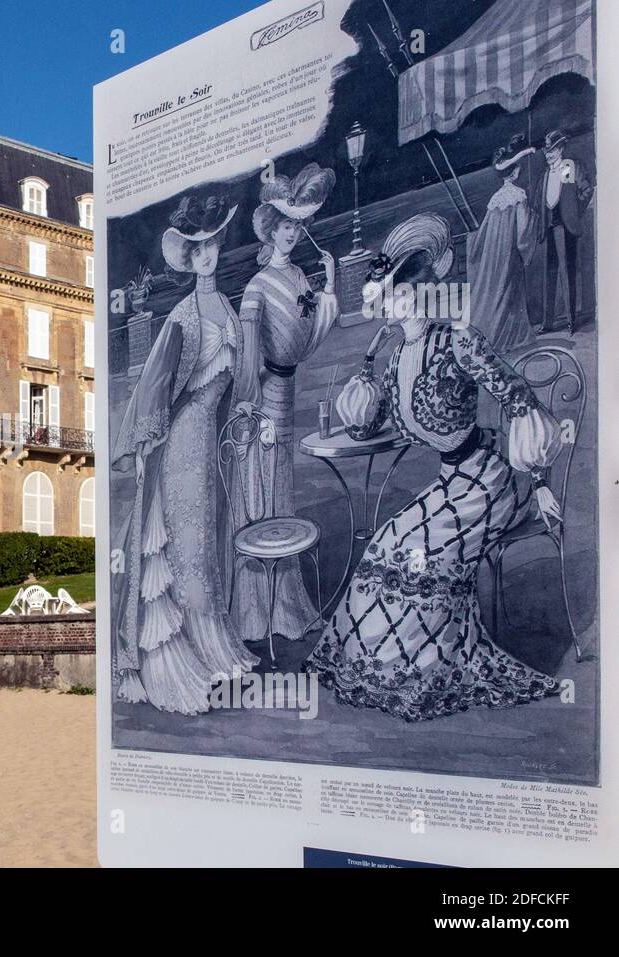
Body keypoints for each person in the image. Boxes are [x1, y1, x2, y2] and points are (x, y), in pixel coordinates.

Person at [307, 212, 563, 722]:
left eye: (405, 297)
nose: (396, 309)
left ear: (423, 293)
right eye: (391, 301)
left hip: (489, 478)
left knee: (416, 554)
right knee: (386, 543)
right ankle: (387, 668)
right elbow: (369, 424)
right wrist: (366, 368)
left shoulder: (458, 340)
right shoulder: (399, 352)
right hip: (452, 479)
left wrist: (539, 482)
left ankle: (426, 672)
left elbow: (516, 396)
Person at [111, 194, 259, 715]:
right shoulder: (182, 315)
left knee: (207, 543)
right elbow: (155, 387)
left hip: (212, 442)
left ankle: (213, 642)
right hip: (179, 444)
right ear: (188, 260)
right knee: (184, 545)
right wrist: (147, 444)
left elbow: (239, 382)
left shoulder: (230, 311)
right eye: (199, 251)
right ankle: (181, 654)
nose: (209, 256)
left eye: (214, 245)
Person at [230, 163, 338, 650]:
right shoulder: (256, 288)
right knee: (263, 492)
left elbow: (309, 336)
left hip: (289, 394)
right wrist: (254, 412)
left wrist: (331, 286)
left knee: (283, 491)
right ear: (270, 229)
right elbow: (249, 359)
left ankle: (286, 603)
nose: (292, 234)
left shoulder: (298, 276)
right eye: (284, 226)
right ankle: (260, 610)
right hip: (264, 403)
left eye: (297, 227)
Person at [468, 134, 538, 353]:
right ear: (515, 171)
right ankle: (511, 337)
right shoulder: (519, 195)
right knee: (510, 293)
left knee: (496, 294)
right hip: (510, 255)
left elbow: (483, 234)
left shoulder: (496, 199)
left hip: (494, 257)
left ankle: (489, 336)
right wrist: (534, 219)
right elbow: (524, 231)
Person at [538, 128, 593, 334]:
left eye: (552, 149)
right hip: (549, 230)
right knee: (549, 277)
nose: (548, 153)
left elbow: (585, 190)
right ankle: (547, 324)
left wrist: (573, 214)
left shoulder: (567, 167)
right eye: (546, 149)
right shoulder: (545, 174)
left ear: (561, 148)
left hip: (565, 228)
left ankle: (571, 321)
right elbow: (541, 202)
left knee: (567, 275)